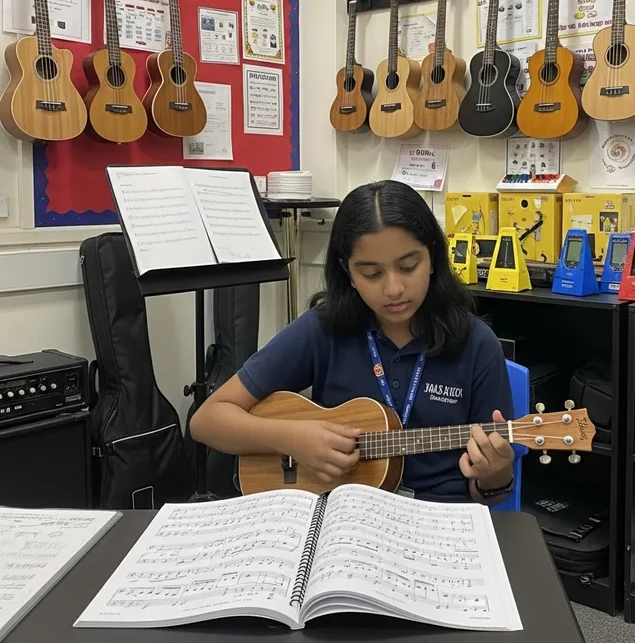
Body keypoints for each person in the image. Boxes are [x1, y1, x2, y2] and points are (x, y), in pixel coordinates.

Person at [190, 180, 516, 504]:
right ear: (348, 272)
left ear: (433, 257)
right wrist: (292, 438)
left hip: (438, 518)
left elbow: (489, 494)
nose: (393, 289)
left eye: (408, 266)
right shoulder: (323, 329)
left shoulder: (476, 344)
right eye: (371, 274)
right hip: (339, 515)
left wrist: (494, 473)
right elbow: (206, 421)